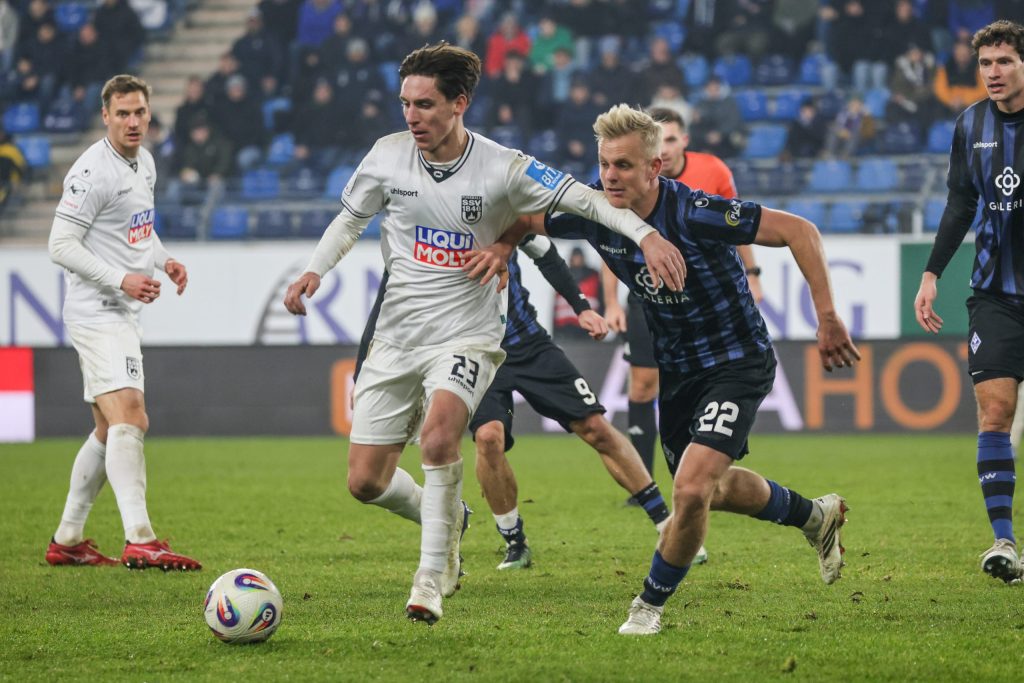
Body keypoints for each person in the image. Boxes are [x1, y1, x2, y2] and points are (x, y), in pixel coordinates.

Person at [282, 43, 685, 627]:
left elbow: (586, 200)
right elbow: (351, 219)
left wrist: (646, 235)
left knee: (440, 438)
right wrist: (315, 269)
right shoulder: (387, 156)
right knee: (365, 482)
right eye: (405, 104)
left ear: (459, 103)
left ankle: (430, 578)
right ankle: (450, 516)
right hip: (397, 334)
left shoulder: (504, 167)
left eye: (425, 104)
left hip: (468, 335)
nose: (412, 116)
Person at [480, 104, 859, 635]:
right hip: (678, 371)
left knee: (690, 490)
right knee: (710, 490)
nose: (610, 177)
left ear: (654, 167)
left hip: (736, 361)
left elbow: (801, 231)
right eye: (605, 164)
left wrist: (827, 317)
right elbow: (524, 219)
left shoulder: (696, 213)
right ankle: (814, 516)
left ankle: (648, 605)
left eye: (624, 166)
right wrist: (501, 248)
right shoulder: (593, 209)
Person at [356, 236, 672, 572]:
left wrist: (581, 308)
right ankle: (514, 541)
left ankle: (667, 525)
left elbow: (547, 254)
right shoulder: (423, 229)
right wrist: (365, 370)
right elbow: (387, 298)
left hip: (528, 344)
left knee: (595, 427)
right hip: (474, 351)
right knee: (488, 438)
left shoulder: (505, 213)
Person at [44, 75, 200, 571]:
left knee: (108, 427)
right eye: (123, 114)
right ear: (105, 117)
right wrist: (121, 279)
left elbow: (138, 230)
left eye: (140, 113)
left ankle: (68, 539)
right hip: (97, 309)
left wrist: (163, 260)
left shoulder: (143, 162)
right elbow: (60, 245)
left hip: (120, 309)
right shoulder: (92, 172)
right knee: (132, 416)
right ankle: (141, 538)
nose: (133, 122)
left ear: (149, 114)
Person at [601, 107, 763, 497]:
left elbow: (738, 226)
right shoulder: (622, 182)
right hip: (648, 296)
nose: (667, 148)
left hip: (705, 305)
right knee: (642, 385)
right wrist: (611, 302)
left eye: (672, 139)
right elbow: (609, 239)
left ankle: (705, 466)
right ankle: (644, 484)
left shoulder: (711, 173)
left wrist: (753, 273)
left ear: (682, 142)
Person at [915, 20, 1024, 584]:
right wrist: (931, 273)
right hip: (995, 295)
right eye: (985, 63)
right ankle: (1004, 541)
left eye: (1004, 61)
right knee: (995, 413)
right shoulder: (970, 124)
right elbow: (960, 204)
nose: (993, 73)